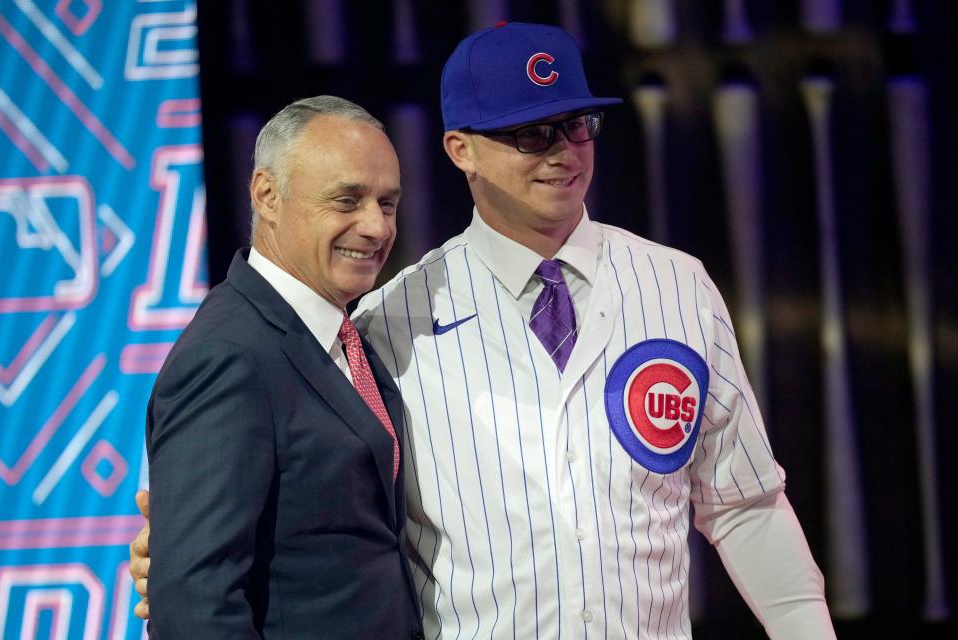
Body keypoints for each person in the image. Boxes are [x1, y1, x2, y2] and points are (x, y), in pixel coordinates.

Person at [133, 23, 835, 639]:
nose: (563, 151)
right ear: (461, 149)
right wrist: (175, 562)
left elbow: (743, 501)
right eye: (533, 131)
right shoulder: (385, 325)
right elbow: (323, 523)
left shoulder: (679, 287)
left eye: (578, 124)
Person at [141, 95, 422, 638]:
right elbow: (194, 604)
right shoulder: (227, 357)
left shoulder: (347, 333)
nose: (375, 227)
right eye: (347, 200)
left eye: (387, 204)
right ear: (267, 195)